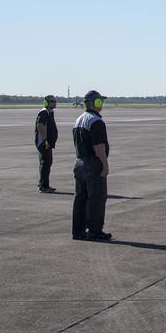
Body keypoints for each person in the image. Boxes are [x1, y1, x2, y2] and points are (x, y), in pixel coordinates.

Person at [71, 90, 112, 241]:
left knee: (80, 199)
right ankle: (95, 230)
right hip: (93, 164)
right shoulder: (96, 121)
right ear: (96, 102)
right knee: (97, 198)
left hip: (79, 162)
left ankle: (78, 231)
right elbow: (99, 146)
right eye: (100, 101)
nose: (102, 104)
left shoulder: (79, 119)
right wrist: (104, 164)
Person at [34, 95, 59, 193]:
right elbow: (40, 125)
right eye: (52, 101)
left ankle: (45, 184)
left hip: (47, 143)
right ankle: (43, 186)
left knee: (48, 163)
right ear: (46, 102)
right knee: (45, 164)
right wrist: (45, 140)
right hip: (44, 143)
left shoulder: (50, 112)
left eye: (55, 101)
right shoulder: (43, 112)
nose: (54, 103)